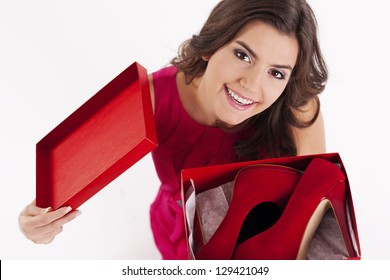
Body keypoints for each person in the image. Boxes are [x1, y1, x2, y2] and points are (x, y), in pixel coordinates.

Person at [18, 0, 327, 259]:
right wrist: (35, 222)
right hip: (183, 237)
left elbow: (315, 207)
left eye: (276, 73)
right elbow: (63, 179)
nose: (252, 85)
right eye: (242, 55)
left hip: (259, 241)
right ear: (211, 46)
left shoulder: (297, 109)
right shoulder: (153, 97)